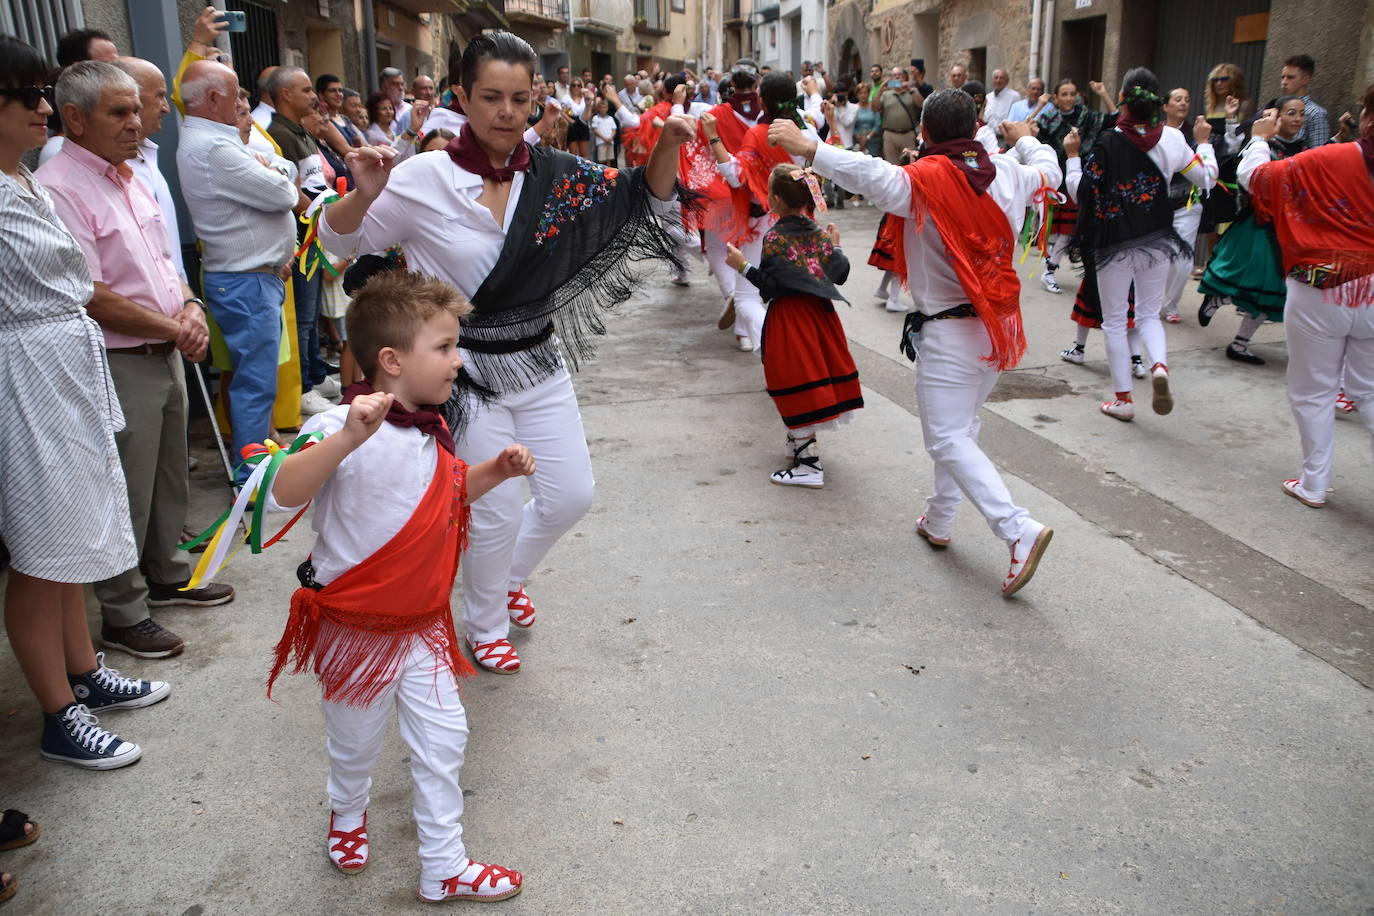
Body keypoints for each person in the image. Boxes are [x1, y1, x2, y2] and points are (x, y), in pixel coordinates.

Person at [318, 31, 693, 674]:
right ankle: (484, 620)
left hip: (538, 360)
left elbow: (642, 197)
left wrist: (665, 145)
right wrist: (365, 191)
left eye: (520, 99)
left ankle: (507, 577)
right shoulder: (420, 179)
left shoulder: (553, 174)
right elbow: (334, 242)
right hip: (463, 371)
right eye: (490, 97)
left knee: (570, 494)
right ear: (462, 97)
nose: (506, 112)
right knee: (491, 507)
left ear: (535, 102)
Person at [264, 271, 532, 901]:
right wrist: (351, 437)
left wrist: (495, 469)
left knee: (445, 740)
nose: (457, 359)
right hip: (355, 628)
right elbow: (281, 493)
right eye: (443, 347)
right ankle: (348, 809)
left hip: (422, 626)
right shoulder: (337, 425)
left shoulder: (432, 430)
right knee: (354, 742)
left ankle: (445, 864)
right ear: (391, 360)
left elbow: (442, 499)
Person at [771, 89, 1062, 595]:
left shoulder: (922, 182)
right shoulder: (1009, 173)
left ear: (925, 133)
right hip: (995, 326)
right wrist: (1030, 140)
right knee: (961, 430)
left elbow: (869, 174)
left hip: (950, 331)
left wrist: (810, 148)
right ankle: (940, 519)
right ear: (974, 130)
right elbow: (1049, 173)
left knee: (947, 437)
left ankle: (1017, 529)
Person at [0, 35, 165, 772]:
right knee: (40, 553)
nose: (43, 109)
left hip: (64, 368)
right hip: (27, 378)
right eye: (29, 95)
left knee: (72, 536)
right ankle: (58, 713)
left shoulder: (23, 179)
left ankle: (83, 668)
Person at [38, 58, 236, 661]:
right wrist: (172, 328)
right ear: (73, 119)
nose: (137, 123)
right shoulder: (61, 188)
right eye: (119, 112)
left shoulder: (130, 176)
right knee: (126, 484)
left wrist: (193, 307)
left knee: (168, 472)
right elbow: (88, 292)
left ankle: (167, 573)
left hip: (166, 347)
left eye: (136, 109)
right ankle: (123, 612)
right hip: (122, 358)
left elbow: (167, 263)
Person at [1240, 89, 1374, 507]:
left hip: (1321, 285)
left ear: (1368, 116)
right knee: (1369, 390)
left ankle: (1314, 482)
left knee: (1312, 390)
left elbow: (1259, 179)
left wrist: (1259, 139)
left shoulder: (1334, 157)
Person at [1068, 68, 1217, 421]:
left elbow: (1081, 193)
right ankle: (1160, 366)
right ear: (1156, 101)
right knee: (1149, 315)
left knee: (1116, 322)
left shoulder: (1106, 143)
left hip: (1113, 244)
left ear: (1121, 98)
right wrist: (1205, 142)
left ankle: (1123, 400)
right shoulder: (1174, 140)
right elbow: (1207, 178)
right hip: (1156, 239)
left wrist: (1073, 157)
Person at [177, 60, 299, 478]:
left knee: (255, 382)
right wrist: (272, 172)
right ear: (214, 99)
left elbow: (286, 170)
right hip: (245, 282)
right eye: (236, 96)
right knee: (253, 385)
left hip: (252, 279)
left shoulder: (218, 140)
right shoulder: (214, 147)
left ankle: (256, 466)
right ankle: (252, 474)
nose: (241, 104)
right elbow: (284, 192)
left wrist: (271, 168)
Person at [724, 163, 862, 486]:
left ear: (773, 199)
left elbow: (772, 288)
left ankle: (809, 464)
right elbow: (839, 272)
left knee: (792, 378)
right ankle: (798, 443)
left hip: (791, 320)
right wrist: (836, 245)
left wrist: (741, 265)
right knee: (809, 375)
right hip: (819, 316)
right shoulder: (816, 232)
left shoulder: (774, 237)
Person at [704, 71, 825, 353]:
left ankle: (771, 352)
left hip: (765, 222)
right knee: (797, 294)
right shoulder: (807, 129)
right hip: (804, 220)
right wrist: (815, 91)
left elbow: (736, 176)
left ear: (763, 102)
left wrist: (713, 137)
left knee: (747, 297)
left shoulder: (759, 135)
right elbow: (817, 115)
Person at [1197, 95, 1308, 365]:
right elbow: (1248, 178)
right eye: (1291, 113)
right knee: (1244, 275)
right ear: (1275, 117)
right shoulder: (1261, 145)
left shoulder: (1305, 150)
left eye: (1301, 114)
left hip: (1287, 229)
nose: (1297, 119)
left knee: (1272, 289)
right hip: (1258, 225)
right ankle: (1218, 298)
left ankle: (1239, 343)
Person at [267, 67, 336, 416]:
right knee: (305, 316)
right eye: (306, 89)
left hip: (315, 233)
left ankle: (315, 371)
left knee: (311, 310)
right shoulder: (278, 135)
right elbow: (292, 192)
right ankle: (305, 385)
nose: (313, 95)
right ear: (285, 95)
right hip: (300, 238)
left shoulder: (302, 133)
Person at [1036, 78, 1116, 294]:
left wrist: (1103, 93)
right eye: (1064, 94)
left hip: (1080, 176)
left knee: (1071, 229)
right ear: (1056, 97)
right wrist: (1041, 105)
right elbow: (1025, 130)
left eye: (1073, 94)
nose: (1069, 98)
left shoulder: (1086, 116)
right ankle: (1050, 270)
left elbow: (1115, 119)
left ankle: (1051, 269)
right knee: (1062, 230)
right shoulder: (1048, 116)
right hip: (1055, 178)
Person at [1277, 55, 1331, 149]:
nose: (1284, 82)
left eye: (1290, 77)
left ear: (1305, 80)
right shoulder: (1276, 107)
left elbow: (1318, 154)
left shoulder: (1316, 114)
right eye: (1283, 77)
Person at [876, 68, 921, 165]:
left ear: (905, 77)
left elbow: (921, 104)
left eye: (899, 74)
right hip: (889, 135)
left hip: (908, 135)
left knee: (910, 165)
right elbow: (875, 108)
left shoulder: (912, 91)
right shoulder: (886, 94)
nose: (896, 77)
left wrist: (909, 89)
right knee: (891, 166)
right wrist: (880, 90)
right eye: (894, 75)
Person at [983, 68, 1022, 134]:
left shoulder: (1014, 96)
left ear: (1007, 80)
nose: (998, 80)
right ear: (992, 80)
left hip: (1005, 137)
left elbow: (1016, 118)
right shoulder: (988, 97)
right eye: (996, 78)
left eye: (1001, 78)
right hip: (988, 136)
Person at [590, 96, 616, 165]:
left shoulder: (611, 118)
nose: (603, 109)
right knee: (601, 159)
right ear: (598, 108)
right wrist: (604, 138)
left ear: (607, 108)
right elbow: (595, 130)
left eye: (605, 107)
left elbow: (614, 129)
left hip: (610, 142)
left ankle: (608, 174)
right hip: (601, 142)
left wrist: (610, 138)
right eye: (601, 107)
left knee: (609, 159)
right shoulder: (595, 118)